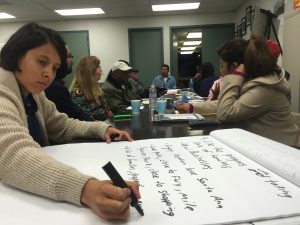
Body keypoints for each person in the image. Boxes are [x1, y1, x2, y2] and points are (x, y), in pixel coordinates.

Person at [0, 22, 141, 221]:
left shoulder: (33, 94)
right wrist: (87, 188)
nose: (49, 73)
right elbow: (12, 153)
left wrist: (102, 129)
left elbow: (63, 125)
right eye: (42, 62)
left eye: (55, 67)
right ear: (16, 56)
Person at [177, 34, 300, 146]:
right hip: (268, 147)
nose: (221, 71)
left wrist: (235, 76)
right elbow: (227, 105)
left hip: (287, 152)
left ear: (236, 67)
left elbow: (225, 113)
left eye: (222, 66)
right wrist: (192, 107)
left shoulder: (263, 88)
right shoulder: (252, 83)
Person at [45, 44, 94, 121]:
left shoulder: (58, 84)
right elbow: (76, 115)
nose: (72, 60)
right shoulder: (55, 87)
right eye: (69, 56)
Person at [69, 56, 113, 121]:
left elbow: (107, 111)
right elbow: (86, 120)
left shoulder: (95, 89)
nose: (101, 70)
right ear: (90, 71)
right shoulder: (78, 93)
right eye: (98, 67)